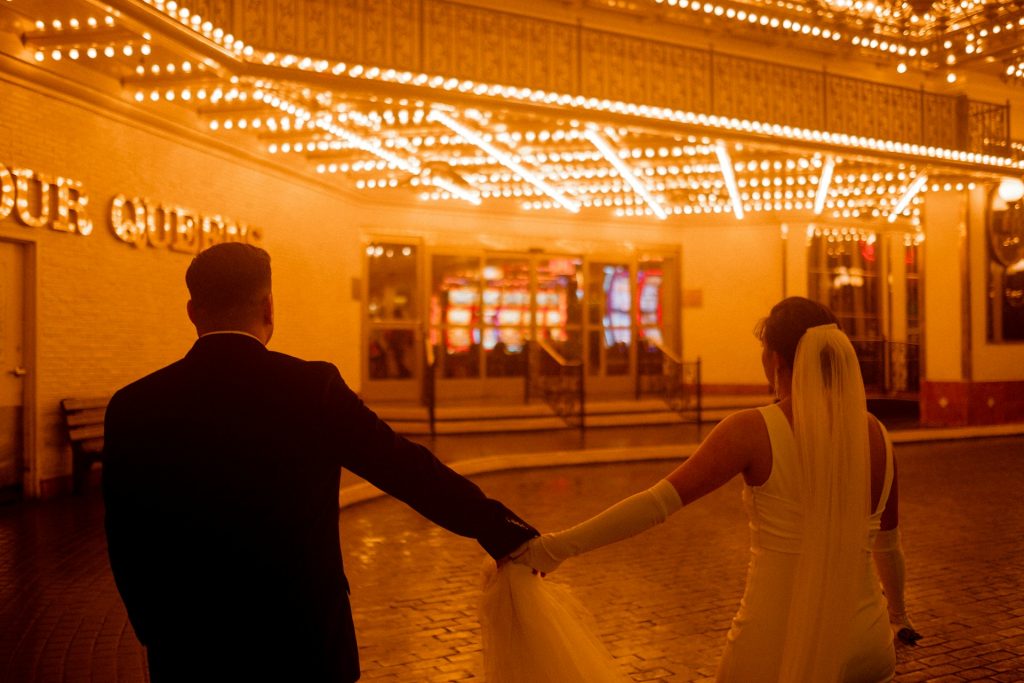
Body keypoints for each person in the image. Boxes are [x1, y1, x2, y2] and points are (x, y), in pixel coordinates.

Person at [102, 242, 537, 682]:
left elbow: (125, 533)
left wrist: (155, 628)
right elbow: (405, 468)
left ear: (192, 311)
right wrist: (497, 527)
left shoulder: (134, 406)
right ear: (269, 306)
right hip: (302, 638)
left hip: (189, 646)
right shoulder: (311, 388)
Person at [512, 297, 919, 682]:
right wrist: (898, 615)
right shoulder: (877, 435)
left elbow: (656, 504)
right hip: (866, 639)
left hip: (774, 642)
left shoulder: (752, 430)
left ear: (774, 359)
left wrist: (556, 548)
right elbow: (889, 544)